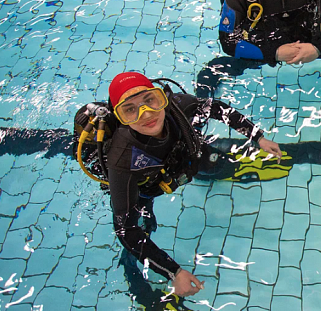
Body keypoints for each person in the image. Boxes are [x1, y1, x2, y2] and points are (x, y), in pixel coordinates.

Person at [98, 72, 282, 299]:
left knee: (208, 160)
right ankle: (141, 285)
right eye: (130, 109)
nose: (146, 114)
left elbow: (219, 109)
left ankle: (211, 170)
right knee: (141, 229)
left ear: (161, 98)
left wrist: (258, 137)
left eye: (149, 100)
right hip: (146, 187)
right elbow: (125, 229)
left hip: (182, 160)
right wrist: (174, 272)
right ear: (121, 118)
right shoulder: (123, 159)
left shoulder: (178, 107)